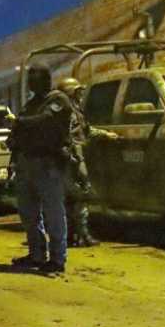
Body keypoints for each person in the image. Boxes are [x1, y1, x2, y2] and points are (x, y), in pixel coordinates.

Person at [6, 67, 73, 274]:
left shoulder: (58, 100)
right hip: (26, 164)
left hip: (48, 163)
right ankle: (36, 254)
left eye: (35, 80)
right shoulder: (31, 104)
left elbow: (46, 121)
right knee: (29, 213)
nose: (32, 84)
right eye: (30, 80)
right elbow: (20, 132)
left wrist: (18, 122)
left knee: (53, 212)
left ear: (46, 80)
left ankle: (57, 258)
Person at [55, 77, 117, 247]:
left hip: (72, 156)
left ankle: (73, 236)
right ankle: (80, 235)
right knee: (79, 196)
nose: (81, 95)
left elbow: (86, 130)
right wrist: (74, 158)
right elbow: (68, 136)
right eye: (78, 92)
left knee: (73, 198)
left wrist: (105, 134)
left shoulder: (74, 111)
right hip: (71, 157)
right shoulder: (64, 112)